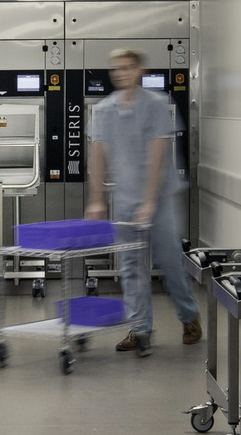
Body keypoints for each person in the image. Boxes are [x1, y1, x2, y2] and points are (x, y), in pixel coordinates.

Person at [84, 48, 201, 356]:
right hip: (124, 199)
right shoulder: (105, 110)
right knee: (130, 266)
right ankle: (140, 330)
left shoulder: (157, 105)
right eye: (115, 68)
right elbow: (98, 157)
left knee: (168, 263)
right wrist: (96, 200)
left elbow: (157, 158)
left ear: (139, 72)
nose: (120, 73)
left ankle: (189, 317)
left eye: (126, 67)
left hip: (159, 198)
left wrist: (148, 202)